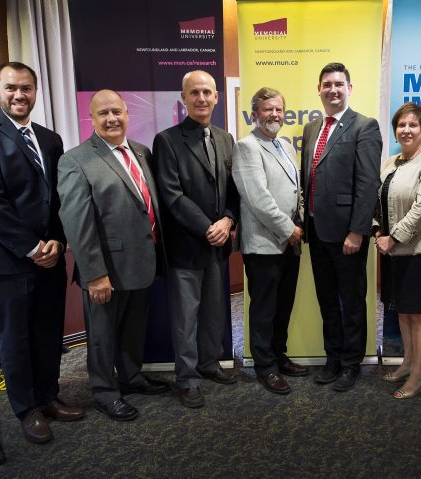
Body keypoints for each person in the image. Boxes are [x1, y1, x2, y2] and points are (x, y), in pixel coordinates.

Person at [0, 62, 84, 443]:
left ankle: (49, 396)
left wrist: (58, 242)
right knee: (17, 337)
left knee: (48, 332)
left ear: (36, 91)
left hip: (50, 255)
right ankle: (26, 409)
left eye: (26, 88)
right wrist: (32, 248)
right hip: (7, 259)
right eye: (11, 88)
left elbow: (61, 198)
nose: (19, 95)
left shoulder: (50, 139)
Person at [57, 90, 169, 421]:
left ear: (126, 114)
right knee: (103, 335)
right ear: (91, 119)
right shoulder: (76, 160)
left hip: (142, 262)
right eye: (103, 113)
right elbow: (77, 221)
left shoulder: (141, 151)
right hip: (105, 269)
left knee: (134, 328)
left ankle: (131, 378)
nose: (111, 119)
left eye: (117, 111)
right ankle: (106, 392)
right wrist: (94, 274)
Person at [152, 70, 239, 408]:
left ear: (216, 97)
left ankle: (208, 363)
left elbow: (234, 189)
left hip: (218, 245)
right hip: (188, 246)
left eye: (207, 92)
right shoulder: (168, 140)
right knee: (186, 318)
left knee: (215, 313)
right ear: (184, 98)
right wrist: (208, 227)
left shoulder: (225, 138)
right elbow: (172, 195)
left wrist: (229, 219)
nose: (202, 98)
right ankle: (187, 379)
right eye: (195, 93)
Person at [301, 62, 382, 392]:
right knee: (326, 299)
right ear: (318, 90)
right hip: (317, 231)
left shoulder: (365, 126)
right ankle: (332, 357)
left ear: (350, 88)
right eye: (327, 84)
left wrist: (357, 231)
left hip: (347, 235)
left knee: (351, 301)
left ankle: (351, 363)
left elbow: (367, 184)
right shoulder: (312, 128)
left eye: (339, 84)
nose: (333, 89)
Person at [232, 87, 308, 395]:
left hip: (290, 242)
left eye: (278, 109)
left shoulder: (286, 146)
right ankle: (265, 366)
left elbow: (296, 190)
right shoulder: (246, 147)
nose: (274, 114)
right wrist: (289, 229)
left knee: (284, 304)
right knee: (264, 309)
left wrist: (300, 220)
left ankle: (279, 355)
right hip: (264, 244)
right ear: (255, 114)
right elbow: (257, 199)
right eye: (267, 109)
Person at [374, 103, 421, 399]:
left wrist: (394, 237)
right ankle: (406, 364)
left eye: (413, 125)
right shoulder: (389, 162)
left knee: (418, 316)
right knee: (403, 312)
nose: (406, 130)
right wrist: (378, 231)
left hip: (418, 252)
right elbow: (377, 202)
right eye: (401, 125)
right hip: (392, 252)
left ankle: (418, 376)